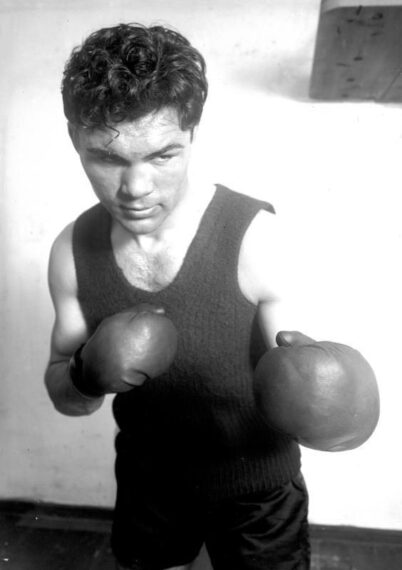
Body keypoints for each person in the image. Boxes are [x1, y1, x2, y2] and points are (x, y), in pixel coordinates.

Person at [45, 22, 378, 570]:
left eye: (163, 155)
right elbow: (64, 393)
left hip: (257, 489)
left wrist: (333, 401)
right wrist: (84, 373)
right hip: (149, 481)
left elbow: (296, 375)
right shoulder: (71, 252)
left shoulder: (255, 239)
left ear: (192, 135)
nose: (136, 189)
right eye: (108, 158)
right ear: (73, 139)